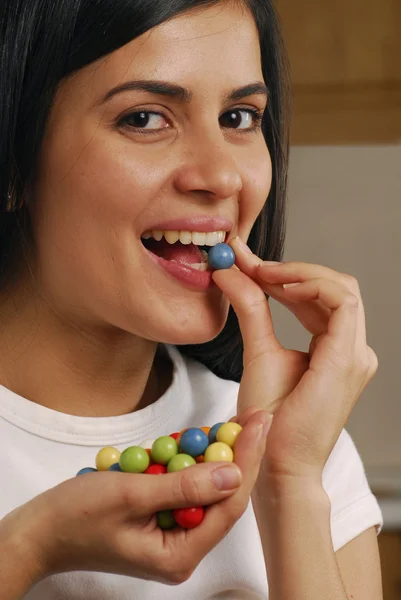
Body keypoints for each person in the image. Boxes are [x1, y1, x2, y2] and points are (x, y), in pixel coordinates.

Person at [0, 0, 384, 598]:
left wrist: (288, 487)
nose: (223, 176)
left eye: (238, 116)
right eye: (146, 118)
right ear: (14, 165)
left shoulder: (299, 440)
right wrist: (29, 546)